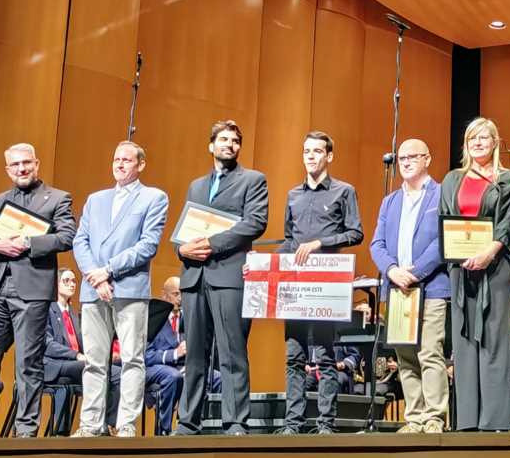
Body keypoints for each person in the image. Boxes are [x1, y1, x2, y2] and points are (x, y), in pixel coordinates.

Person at [0, 143, 75, 438]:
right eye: (15, 165)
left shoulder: (57, 198)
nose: (21, 169)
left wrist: (30, 242)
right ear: (7, 169)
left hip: (32, 290)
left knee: (28, 363)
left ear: (37, 163)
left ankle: (26, 431)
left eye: (26, 163)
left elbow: (67, 236)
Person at [175, 119, 268, 436]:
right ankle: (188, 421)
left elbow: (254, 223)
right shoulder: (196, 185)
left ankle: (236, 421)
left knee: (231, 352)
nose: (229, 144)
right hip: (193, 277)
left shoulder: (253, 180)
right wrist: (183, 249)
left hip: (229, 275)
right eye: (224, 139)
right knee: (195, 354)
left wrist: (210, 244)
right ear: (211, 145)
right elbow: (184, 230)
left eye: (235, 141)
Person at [70, 141, 169, 437]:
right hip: (93, 289)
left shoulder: (153, 197)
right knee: (94, 362)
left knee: (132, 359)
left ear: (140, 165)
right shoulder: (95, 199)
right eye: (116, 159)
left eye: (127, 160)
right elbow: (80, 241)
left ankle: (125, 424)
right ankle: (90, 425)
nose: (120, 164)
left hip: (128, 288)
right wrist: (96, 277)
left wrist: (108, 270)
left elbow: (148, 245)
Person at [276, 131, 364, 435]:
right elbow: (288, 240)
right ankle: (293, 424)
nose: (311, 156)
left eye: (317, 151)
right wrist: (264, 267)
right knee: (294, 355)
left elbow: (355, 233)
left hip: (328, 282)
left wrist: (319, 243)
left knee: (326, 356)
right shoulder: (292, 195)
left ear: (329, 156)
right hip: (296, 286)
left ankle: (326, 425)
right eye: (306, 151)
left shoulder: (344, 191)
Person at [441, 117, 510, 431]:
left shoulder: (506, 179)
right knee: (463, 343)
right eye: (472, 138)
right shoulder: (452, 179)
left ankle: (496, 421)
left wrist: (489, 252)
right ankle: (467, 422)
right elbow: (445, 219)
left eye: (484, 138)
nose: (478, 143)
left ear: (495, 142)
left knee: (493, 340)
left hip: (495, 267)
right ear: (466, 143)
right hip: (460, 270)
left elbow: (507, 222)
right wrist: (458, 255)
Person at [369, 138, 449, 434]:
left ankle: (434, 417)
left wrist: (416, 272)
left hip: (431, 286)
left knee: (429, 353)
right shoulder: (390, 201)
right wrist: (391, 269)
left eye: (413, 157)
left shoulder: (442, 194)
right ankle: (414, 417)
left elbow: (444, 239)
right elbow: (376, 244)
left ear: (427, 158)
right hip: (398, 288)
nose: (405, 162)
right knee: (405, 356)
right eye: (401, 158)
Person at [44, 269, 121, 435]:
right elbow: (47, 344)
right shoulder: (46, 309)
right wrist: (76, 355)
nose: (72, 284)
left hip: (76, 362)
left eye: (73, 281)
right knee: (98, 370)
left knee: (115, 373)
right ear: (55, 285)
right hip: (53, 363)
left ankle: (107, 424)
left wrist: (102, 354)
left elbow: (86, 342)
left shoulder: (73, 312)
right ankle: (94, 425)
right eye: (66, 281)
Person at [145, 277, 221, 436]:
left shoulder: (190, 318)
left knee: (216, 377)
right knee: (173, 376)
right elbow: (147, 356)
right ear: (164, 295)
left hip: (185, 367)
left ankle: (209, 426)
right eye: (176, 294)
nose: (180, 299)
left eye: (183, 294)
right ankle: (163, 430)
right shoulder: (152, 318)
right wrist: (174, 354)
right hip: (157, 368)